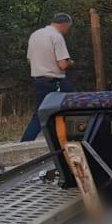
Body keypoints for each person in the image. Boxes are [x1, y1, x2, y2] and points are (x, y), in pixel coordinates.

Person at [20, 13, 73, 142]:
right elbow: (62, 64)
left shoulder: (35, 34)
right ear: (65, 25)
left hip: (39, 80)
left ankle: (28, 141)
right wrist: (70, 62)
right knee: (69, 110)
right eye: (68, 28)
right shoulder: (56, 37)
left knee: (42, 112)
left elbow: (29, 59)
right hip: (55, 80)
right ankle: (68, 139)